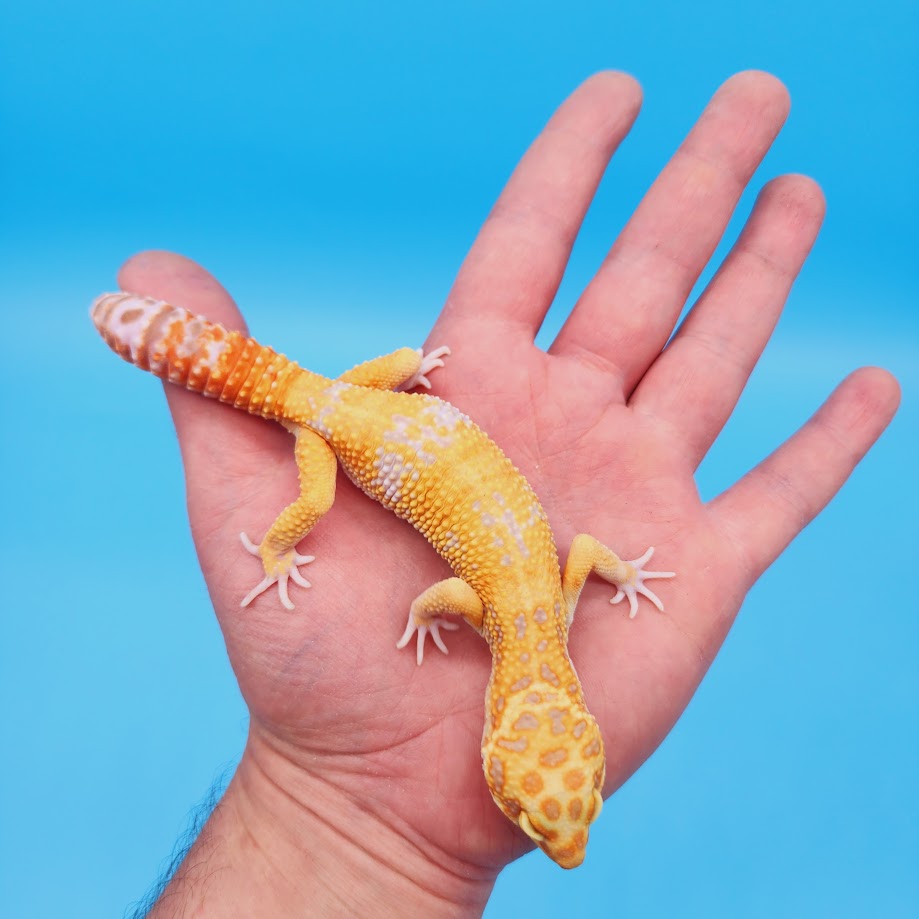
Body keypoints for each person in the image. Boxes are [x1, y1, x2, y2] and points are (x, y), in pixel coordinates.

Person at [124, 71, 899, 917]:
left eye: (551, 812)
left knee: (390, 378)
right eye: (557, 810)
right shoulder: (489, 614)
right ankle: (278, 545)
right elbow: (438, 598)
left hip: (365, 393)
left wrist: (619, 573)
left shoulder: (548, 610)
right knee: (311, 507)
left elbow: (583, 555)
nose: (564, 843)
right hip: (328, 426)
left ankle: (385, 376)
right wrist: (411, 614)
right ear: (551, 736)